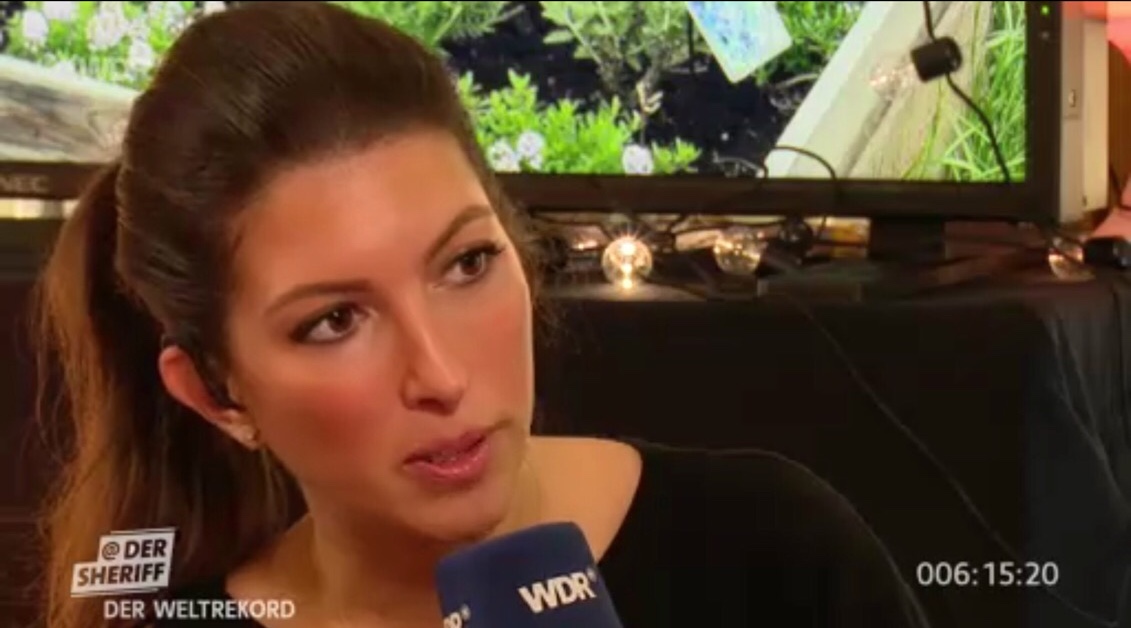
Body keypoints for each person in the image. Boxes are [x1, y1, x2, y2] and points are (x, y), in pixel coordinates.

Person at [33, 3, 928, 627]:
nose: (440, 374)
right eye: (334, 321)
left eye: (465, 265)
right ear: (219, 394)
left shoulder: (774, 550)